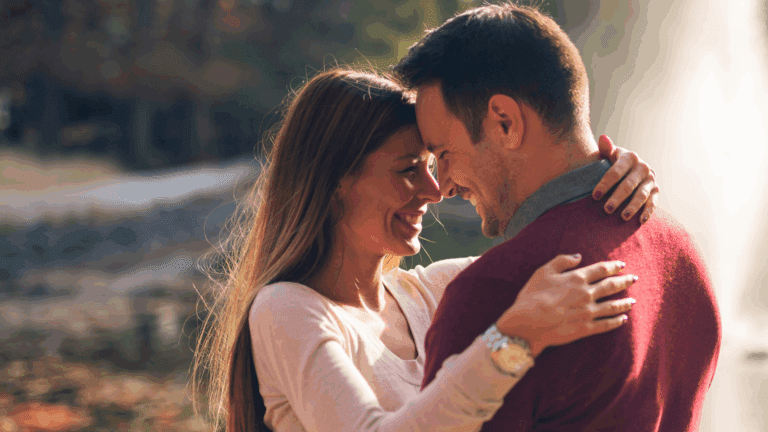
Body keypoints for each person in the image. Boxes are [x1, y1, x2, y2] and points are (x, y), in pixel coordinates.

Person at [191, 68, 659, 432]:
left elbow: (558, 247)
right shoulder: (287, 310)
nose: (435, 190)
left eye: (433, 165)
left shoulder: (438, 289)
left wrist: (611, 176)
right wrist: (514, 339)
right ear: (335, 183)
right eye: (407, 170)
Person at [392, 3, 721, 431]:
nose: (445, 186)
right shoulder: (684, 255)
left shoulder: (496, 297)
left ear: (505, 123)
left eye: (444, 155)